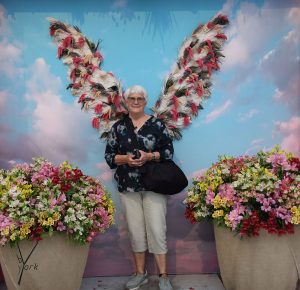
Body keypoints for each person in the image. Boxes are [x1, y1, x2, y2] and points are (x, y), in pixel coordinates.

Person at [105, 85, 174, 290]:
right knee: (135, 231)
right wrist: (126, 158)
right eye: (132, 98)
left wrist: (150, 156)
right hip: (128, 186)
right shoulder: (118, 127)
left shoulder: (157, 124)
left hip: (154, 184)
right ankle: (139, 274)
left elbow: (168, 151)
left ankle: (163, 275)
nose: (136, 101)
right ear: (126, 101)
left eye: (140, 98)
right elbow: (109, 156)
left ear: (145, 102)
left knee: (157, 229)